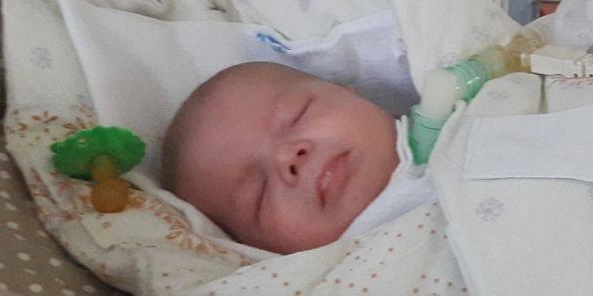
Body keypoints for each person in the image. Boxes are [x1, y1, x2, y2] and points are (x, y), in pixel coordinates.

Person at [163, 62, 431, 254]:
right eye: (259, 195)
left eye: (297, 116)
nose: (287, 157)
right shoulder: (343, 289)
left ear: (348, 91)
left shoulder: (447, 101)